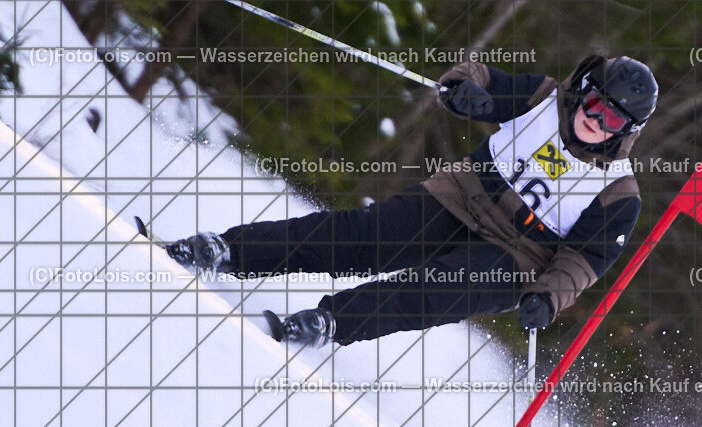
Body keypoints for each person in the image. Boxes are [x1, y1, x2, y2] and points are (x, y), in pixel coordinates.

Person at [164, 55, 658, 347]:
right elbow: (480, 76)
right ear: (583, 92)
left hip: (518, 256)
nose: (597, 121)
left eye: (613, 120)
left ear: (627, 130)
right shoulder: (541, 98)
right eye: (596, 105)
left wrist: (547, 298)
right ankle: (227, 250)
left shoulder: (618, 192)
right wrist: (462, 88)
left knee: (435, 289)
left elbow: (584, 260)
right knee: (361, 238)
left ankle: (331, 322)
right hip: (462, 195)